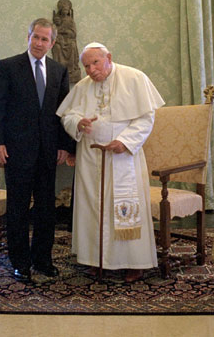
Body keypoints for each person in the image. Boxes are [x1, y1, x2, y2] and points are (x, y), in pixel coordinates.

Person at [56, 42, 165, 282]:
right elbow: (68, 116)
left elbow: (146, 118)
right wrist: (77, 123)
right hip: (90, 157)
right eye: (86, 66)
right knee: (91, 208)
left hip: (123, 156)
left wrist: (125, 141)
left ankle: (134, 263)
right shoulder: (83, 87)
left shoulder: (134, 77)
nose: (91, 70)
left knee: (124, 206)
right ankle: (95, 260)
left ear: (109, 58)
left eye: (95, 62)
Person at [0, 18, 72, 282]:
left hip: (48, 152)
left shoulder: (59, 70)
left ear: (52, 43)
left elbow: (64, 112)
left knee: (46, 209)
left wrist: (64, 146)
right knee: (18, 208)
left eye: (45, 39)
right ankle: (20, 262)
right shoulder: (8, 66)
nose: (39, 43)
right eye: (35, 37)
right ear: (28, 37)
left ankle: (43, 260)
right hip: (16, 151)